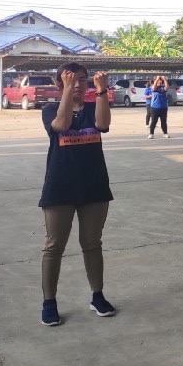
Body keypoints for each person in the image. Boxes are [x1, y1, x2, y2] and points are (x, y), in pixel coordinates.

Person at [38, 61, 116, 326]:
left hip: (94, 186)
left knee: (92, 243)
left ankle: (97, 296)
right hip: (60, 187)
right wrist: (68, 91)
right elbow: (61, 124)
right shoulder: (50, 109)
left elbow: (103, 124)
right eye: (71, 80)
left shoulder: (94, 107)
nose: (79, 85)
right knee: (53, 246)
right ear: (59, 84)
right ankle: (49, 302)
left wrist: (102, 91)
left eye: (83, 79)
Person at [147, 75, 171, 139]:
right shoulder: (153, 87)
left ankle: (165, 133)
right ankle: (151, 134)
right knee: (154, 121)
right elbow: (154, 88)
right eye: (159, 81)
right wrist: (157, 79)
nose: (160, 82)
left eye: (161, 81)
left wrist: (164, 79)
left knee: (163, 121)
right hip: (154, 107)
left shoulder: (163, 88)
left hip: (163, 107)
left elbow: (167, 87)